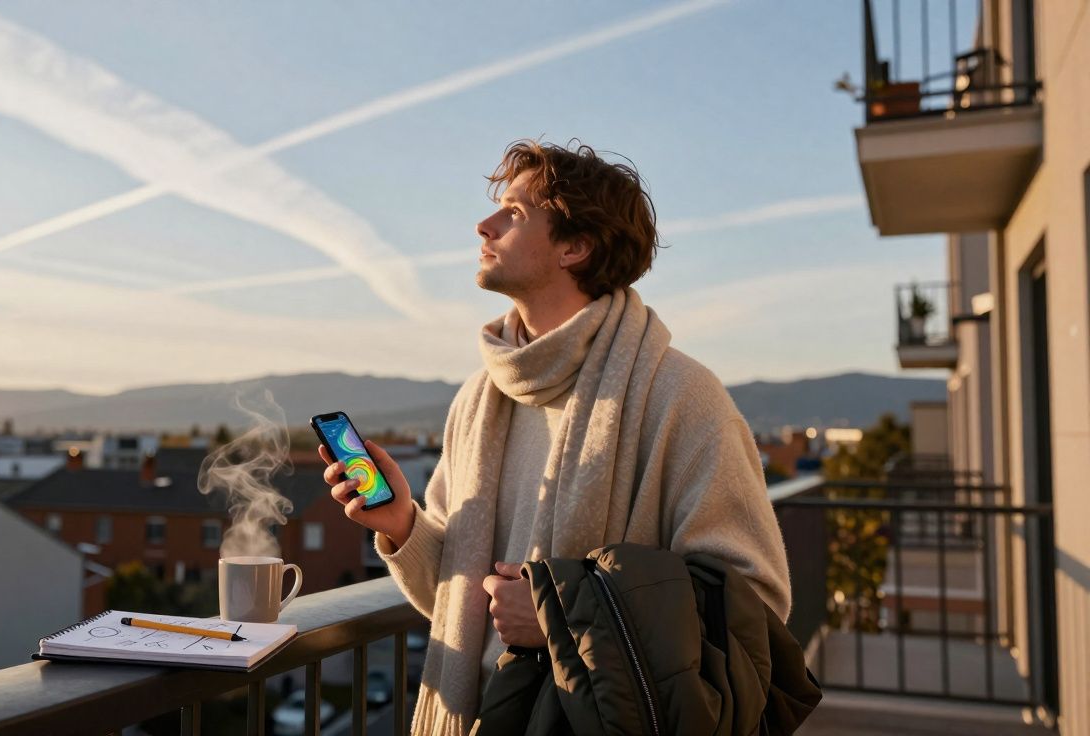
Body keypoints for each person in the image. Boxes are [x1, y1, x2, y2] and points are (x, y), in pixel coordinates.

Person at [320, 139, 790, 736]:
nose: (482, 224)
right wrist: (403, 525)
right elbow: (459, 598)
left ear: (575, 246)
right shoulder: (477, 400)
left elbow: (753, 601)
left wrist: (565, 616)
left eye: (513, 214)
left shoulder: (681, 396)